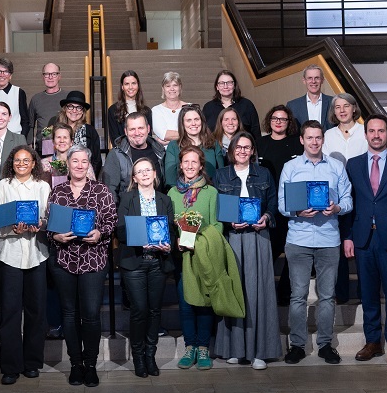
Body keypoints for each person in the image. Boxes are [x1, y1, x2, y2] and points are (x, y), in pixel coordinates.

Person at [342, 114, 387, 366]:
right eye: (372, 131)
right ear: (365, 135)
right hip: (363, 238)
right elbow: (349, 205)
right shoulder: (353, 165)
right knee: (368, 292)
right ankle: (372, 341)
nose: (376, 135)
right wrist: (348, 236)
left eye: (381, 131)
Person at [278, 120, 352, 365]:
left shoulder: (336, 167)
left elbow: (348, 200)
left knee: (327, 296)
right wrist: (297, 211)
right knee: (298, 295)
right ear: (302, 140)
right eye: (309, 137)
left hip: (328, 239)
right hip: (298, 239)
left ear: (323, 139)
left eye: (318, 137)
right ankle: (297, 345)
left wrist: (337, 208)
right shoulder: (290, 167)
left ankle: (325, 345)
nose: (314, 142)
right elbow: (282, 204)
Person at [47, 145, 117, 387]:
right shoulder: (58, 192)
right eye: (74, 161)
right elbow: (50, 225)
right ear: (68, 164)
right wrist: (55, 236)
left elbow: (111, 220)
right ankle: (75, 364)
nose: (79, 165)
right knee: (69, 314)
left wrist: (100, 233)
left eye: (83, 161)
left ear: (89, 165)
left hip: (93, 259)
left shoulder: (101, 190)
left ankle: (91, 365)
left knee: (91, 315)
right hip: (64, 260)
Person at [213, 132, 282, 370]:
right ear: (231, 150)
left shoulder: (263, 173)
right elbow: (217, 206)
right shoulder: (221, 175)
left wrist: (267, 217)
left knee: (259, 292)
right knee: (234, 290)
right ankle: (235, 349)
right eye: (239, 147)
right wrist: (228, 221)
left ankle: (260, 351)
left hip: (258, 237)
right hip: (232, 237)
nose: (242, 151)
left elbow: (273, 202)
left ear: (253, 151)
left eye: (247, 147)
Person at [0, 145, 51, 385]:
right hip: (10, 255)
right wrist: (11, 229)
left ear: (34, 163)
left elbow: (49, 218)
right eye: (17, 160)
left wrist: (41, 225)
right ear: (11, 163)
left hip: (37, 254)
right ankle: (10, 367)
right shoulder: (3, 186)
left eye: (26, 160)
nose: (22, 164)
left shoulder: (42, 187)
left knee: (37, 312)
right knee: (10, 312)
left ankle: (32, 363)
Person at [168, 146, 225, 372]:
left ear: (201, 166)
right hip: (182, 256)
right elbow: (169, 225)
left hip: (204, 254)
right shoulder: (172, 193)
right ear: (180, 165)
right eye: (186, 162)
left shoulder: (211, 192)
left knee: (204, 303)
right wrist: (177, 240)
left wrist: (200, 242)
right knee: (186, 303)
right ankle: (189, 346)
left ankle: (203, 347)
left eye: (194, 162)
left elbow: (217, 225)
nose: (190, 166)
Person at [116, 157, 174, 378]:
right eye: (140, 171)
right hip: (135, 262)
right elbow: (120, 231)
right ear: (134, 177)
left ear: (154, 174)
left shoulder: (165, 199)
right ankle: (138, 357)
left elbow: (170, 229)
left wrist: (168, 244)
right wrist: (140, 239)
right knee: (139, 310)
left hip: (158, 262)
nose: (145, 174)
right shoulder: (127, 198)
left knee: (154, 310)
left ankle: (151, 355)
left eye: (148, 170)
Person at [323, 92, 368, 303]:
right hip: (338, 196)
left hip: (362, 194)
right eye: (337, 107)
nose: (342, 110)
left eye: (346, 106)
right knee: (339, 244)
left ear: (354, 108)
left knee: (361, 244)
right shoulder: (328, 135)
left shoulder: (365, 132)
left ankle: (364, 292)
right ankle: (341, 292)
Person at [257, 105, 303, 305]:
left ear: (288, 122)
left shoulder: (296, 143)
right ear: (269, 120)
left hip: (291, 203)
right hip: (268, 203)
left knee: (293, 253)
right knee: (270, 251)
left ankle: (284, 292)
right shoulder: (260, 143)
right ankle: (264, 293)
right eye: (275, 118)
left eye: (283, 119)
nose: (278, 122)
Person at [101, 112, 166, 202]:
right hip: (128, 208)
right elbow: (109, 191)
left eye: (141, 128)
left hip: (159, 207)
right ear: (126, 132)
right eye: (132, 129)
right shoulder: (116, 155)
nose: (137, 133)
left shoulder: (159, 151)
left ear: (148, 129)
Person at [163, 104, 225, 189]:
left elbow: (222, 175)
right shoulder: (174, 146)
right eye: (188, 120)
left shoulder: (213, 144)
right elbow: (170, 180)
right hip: (181, 193)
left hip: (210, 191)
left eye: (196, 119)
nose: (193, 123)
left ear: (202, 121)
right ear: (182, 123)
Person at [51, 91, 102, 177]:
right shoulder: (56, 128)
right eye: (70, 106)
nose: (74, 110)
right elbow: (50, 153)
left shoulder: (90, 131)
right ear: (65, 109)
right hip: (57, 177)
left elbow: (96, 160)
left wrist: (88, 178)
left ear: (83, 111)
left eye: (79, 107)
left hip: (83, 177)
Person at [203, 70, 260, 139]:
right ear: (217, 87)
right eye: (221, 83)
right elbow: (204, 132)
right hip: (215, 145)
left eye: (229, 83)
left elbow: (256, 131)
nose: (225, 86)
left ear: (234, 85)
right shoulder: (208, 107)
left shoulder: (246, 105)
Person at [27, 63, 69, 152]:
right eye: (47, 74)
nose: (50, 77)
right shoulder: (36, 99)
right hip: (43, 148)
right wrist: (29, 146)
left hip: (64, 146)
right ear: (43, 77)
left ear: (59, 76)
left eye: (54, 74)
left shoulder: (67, 97)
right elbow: (30, 125)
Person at [106, 70, 152, 147]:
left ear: (138, 85)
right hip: (122, 152)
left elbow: (148, 137)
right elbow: (115, 138)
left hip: (143, 152)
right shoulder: (113, 110)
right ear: (122, 87)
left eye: (133, 83)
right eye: (127, 84)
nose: (130, 87)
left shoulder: (147, 111)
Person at [286, 64, 334, 131]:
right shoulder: (292, 106)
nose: (313, 81)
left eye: (317, 78)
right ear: (304, 81)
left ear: (322, 80)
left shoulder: (333, 102)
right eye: (310, 78)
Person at [151, 72, 189, 145]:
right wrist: (187, 135)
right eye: (168, 86)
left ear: (180, 87)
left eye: (175, 85)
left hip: (189, 149)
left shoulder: (190, 108)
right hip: (165, 151)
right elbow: (164, 134)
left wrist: (172, 140)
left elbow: (198, 131)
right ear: (163, 89)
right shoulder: (156, 110)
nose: (172, 89)